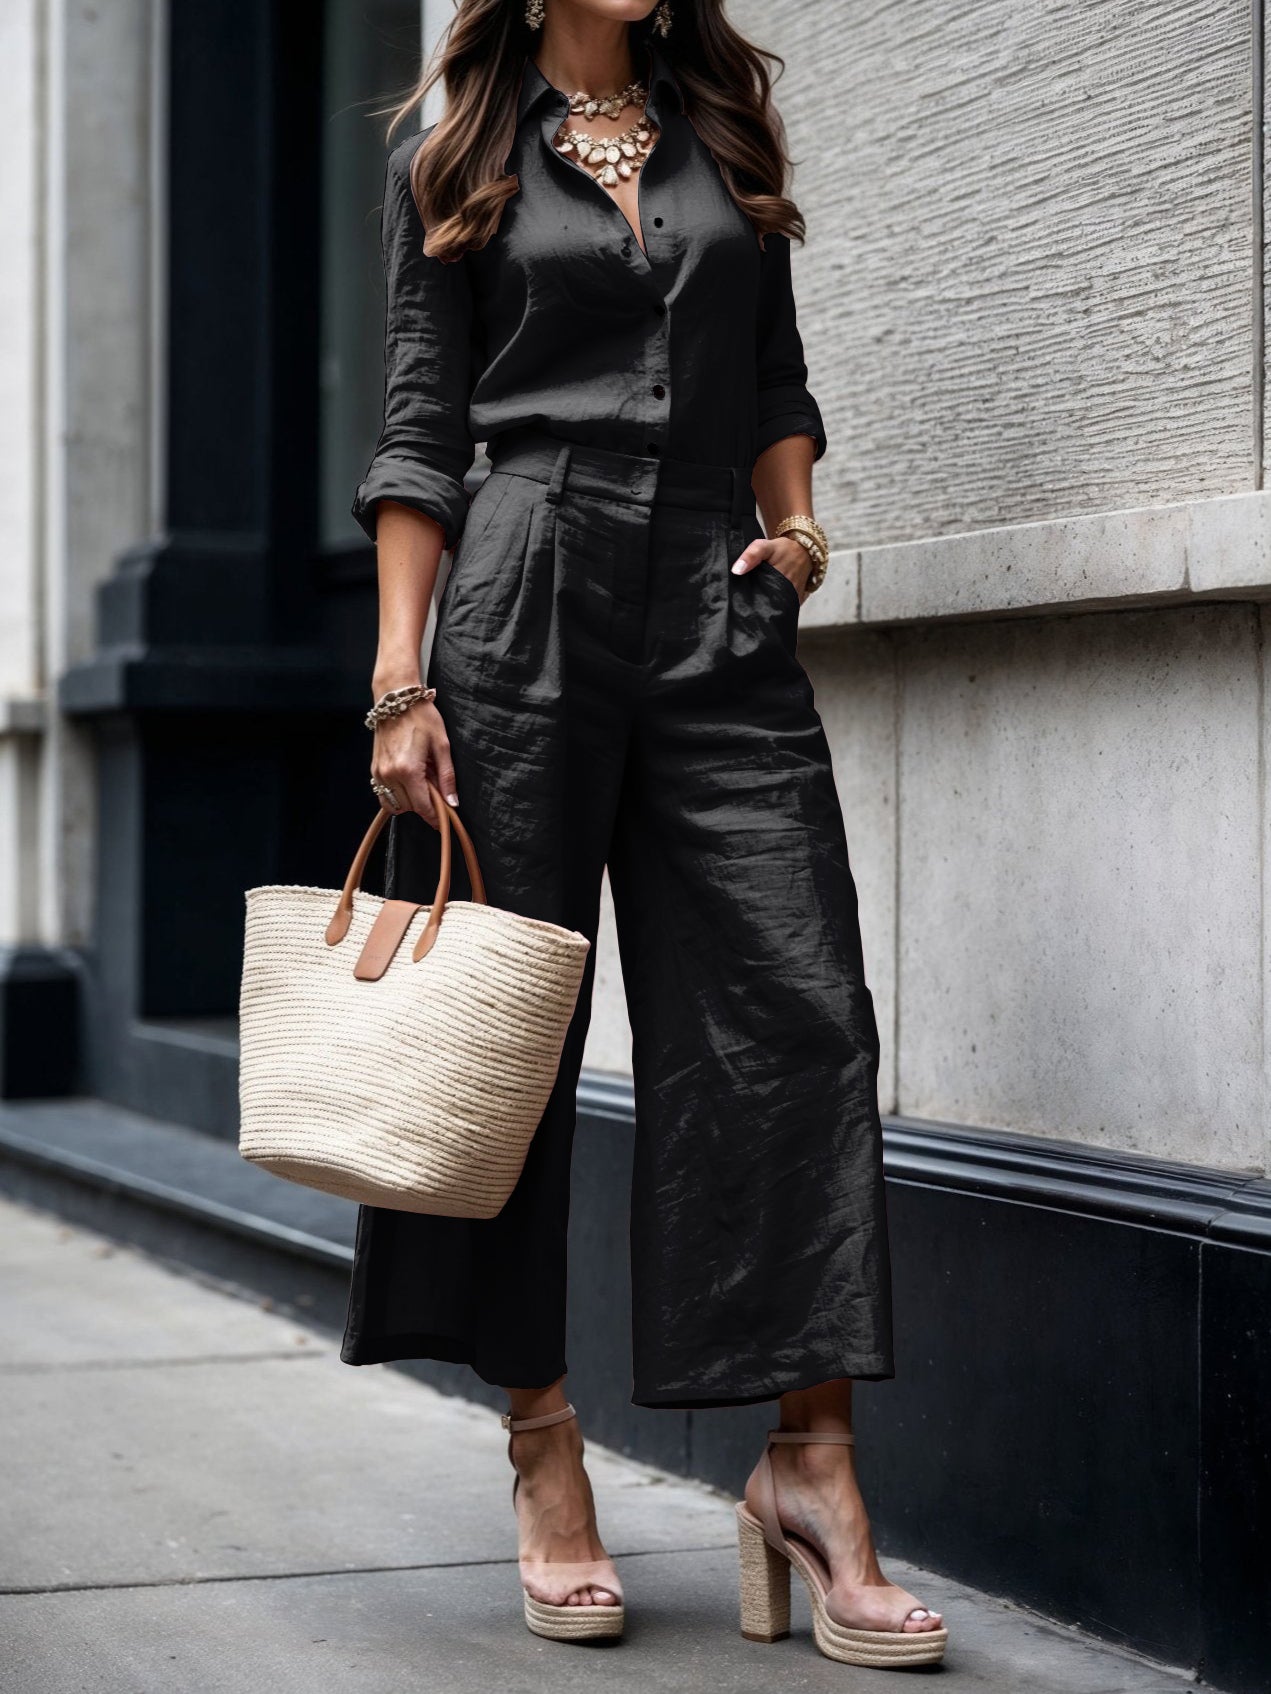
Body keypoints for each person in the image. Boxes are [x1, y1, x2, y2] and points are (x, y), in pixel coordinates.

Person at [341, 0, 946, 1666]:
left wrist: (795, 529)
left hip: (712, 603)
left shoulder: (722, 133)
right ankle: (544, 1448)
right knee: (506, 1038)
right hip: (523, 591)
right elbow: (419, 428)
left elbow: (775, 376)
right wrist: (400, 681)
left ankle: (810, 1465)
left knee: (798, 1010)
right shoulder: (454, 152)